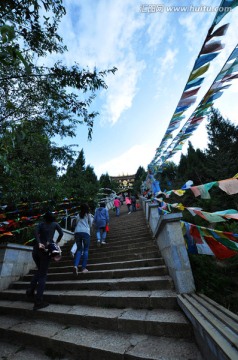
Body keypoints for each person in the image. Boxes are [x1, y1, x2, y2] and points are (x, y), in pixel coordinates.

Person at [26, 211, 63, 310]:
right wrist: (56, 242)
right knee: (43, 275)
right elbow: (61, 233)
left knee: (39, 270)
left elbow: (35, 232)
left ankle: (30, 290)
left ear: (44, 218)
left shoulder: (41, 224)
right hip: (45, 251)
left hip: (36, 251)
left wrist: (38, 243)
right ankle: (38, 302)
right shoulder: (55, 224)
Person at [73, 203, 93, 275]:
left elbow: (76, 223)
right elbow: (90, 224)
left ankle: (75, 266)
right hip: (85, 232)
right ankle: (83, 268)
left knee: (79, 249)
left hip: (77, 232)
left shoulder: (78, 215)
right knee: (86, 250)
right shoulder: (88, 215)